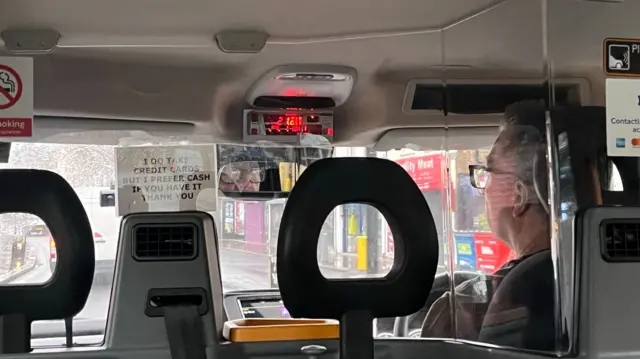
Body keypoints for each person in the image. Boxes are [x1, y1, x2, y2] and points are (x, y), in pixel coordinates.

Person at [420, 100, 553, 347]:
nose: (483, 189)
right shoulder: (604, 282)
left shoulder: (463, 311)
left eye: (489, 171)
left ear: (519, 196)